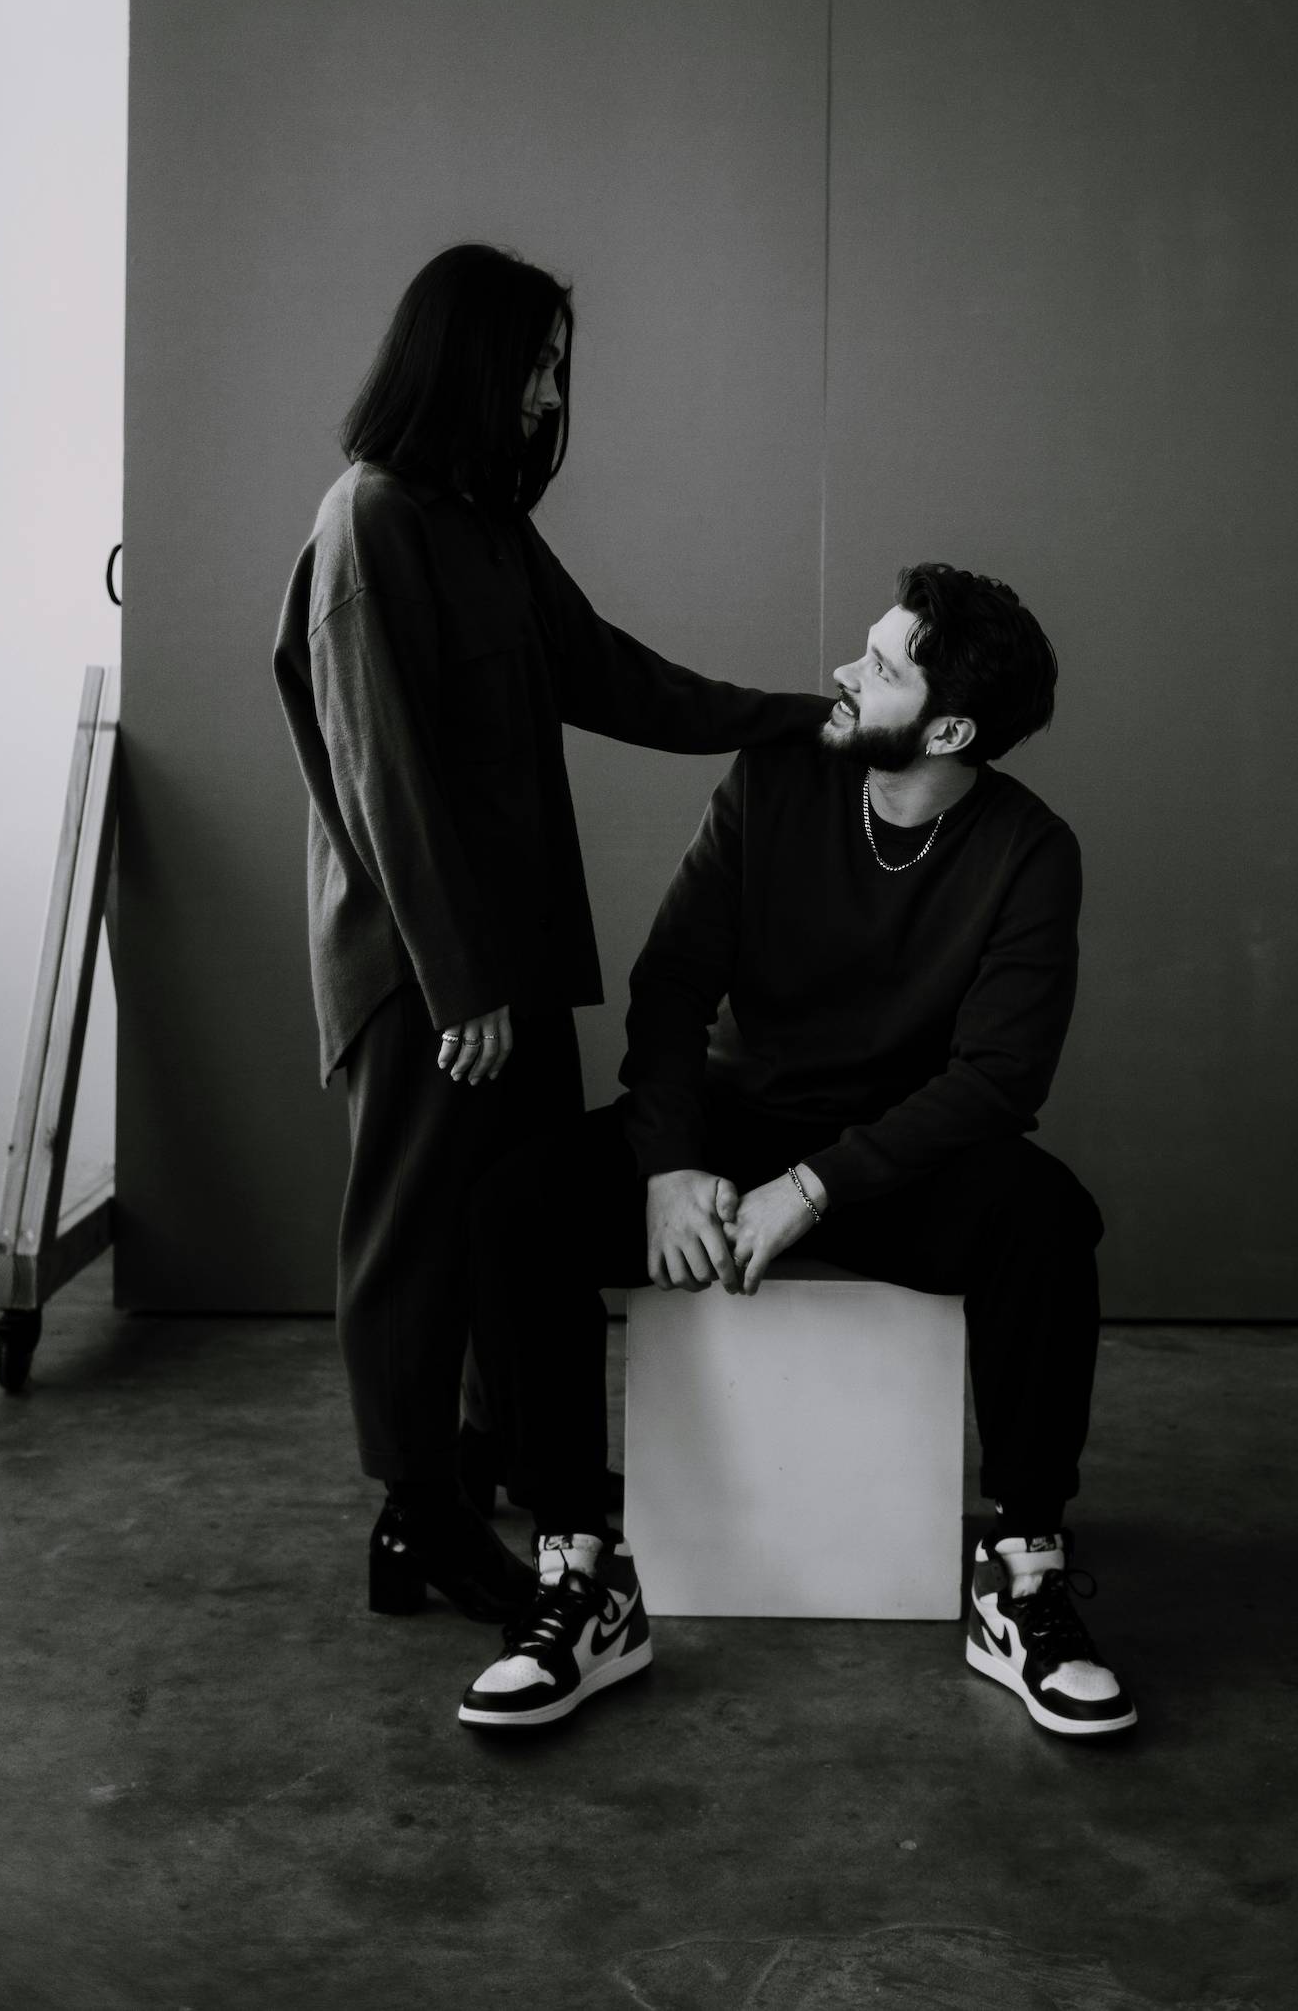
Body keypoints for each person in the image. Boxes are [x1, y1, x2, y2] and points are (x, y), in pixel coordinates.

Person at [459, 561, 1135, 1740]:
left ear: (950, 729)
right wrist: (671, 1162)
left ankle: (1022, 1573)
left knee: (1043, 1219)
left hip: (893, 1157)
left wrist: (813, 1189)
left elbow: (997, 1079)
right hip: (733, 1125)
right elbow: (673, 983)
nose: (839, 672)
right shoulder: (773, 779)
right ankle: (579, 1573)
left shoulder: (1029, 849)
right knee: (519, 1201)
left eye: (878, 666)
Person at [272, 242, 827, 1625]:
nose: (545, 397)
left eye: (556, 370)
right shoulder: (368, 523)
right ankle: (417, 1517)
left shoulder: (480, 524)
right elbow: (382, 781)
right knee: (413, 1241)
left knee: (511, 1220)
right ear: (462, 360)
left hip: (506, 964)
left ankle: (506, 1463)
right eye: (532, 365)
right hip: (423, 973)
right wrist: (457, 982)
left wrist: (795, 721)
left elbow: (609, 673)